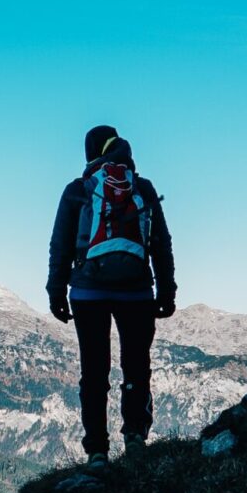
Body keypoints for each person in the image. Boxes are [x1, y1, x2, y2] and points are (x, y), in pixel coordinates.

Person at [46, 125, 177, 468]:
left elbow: (60, 245)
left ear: (91, 152)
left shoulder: (78, 190)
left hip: (88, 292)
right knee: (136, 366)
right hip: (136, 292)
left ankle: (97, 452)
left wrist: (56, 291)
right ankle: (135, 437)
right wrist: (166, 290)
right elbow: (161, 243)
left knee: (94, 370)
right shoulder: (142, 188)